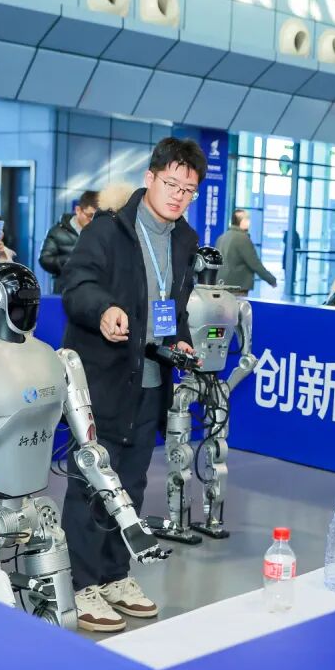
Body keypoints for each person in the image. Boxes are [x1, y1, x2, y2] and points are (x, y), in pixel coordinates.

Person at [59, 137, 206, 632]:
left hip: (150, 382)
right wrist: (104, 310)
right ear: (150, 178)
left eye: (188, 189)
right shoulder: (108, 230)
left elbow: (174, 308)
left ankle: (115, 575)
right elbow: (76, 286)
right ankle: (82, 584)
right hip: (102, 379)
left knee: (133, 484)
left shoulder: (184, 241)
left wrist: (181, 341)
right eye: (171, 184)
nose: (178, 196)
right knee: (93, 483)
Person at [39, 190, 98, 294]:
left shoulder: (100, 232)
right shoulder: (57, 232)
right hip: (65, 290)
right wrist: (72, 260)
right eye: (89, 215)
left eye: (96, 217)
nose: (92, 220)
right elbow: (45, 260)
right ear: (78, 210)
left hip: (94, 290)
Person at [216, 209, 277, 294]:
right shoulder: (242, 239)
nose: (249, 222)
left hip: (220, 284)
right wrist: (271, 279)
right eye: (247, 219)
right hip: (236, 286)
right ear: (243, 222)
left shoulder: (222, 237)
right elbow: (254, 263)